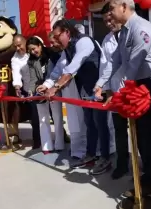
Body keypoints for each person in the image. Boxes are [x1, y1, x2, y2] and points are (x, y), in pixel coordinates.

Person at [38, 19, 113, 175]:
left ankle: (105, 158)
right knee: (89, 124)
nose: (56, 41)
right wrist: (47, 84)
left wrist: (55, 87)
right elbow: (60, 68)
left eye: (57, 36)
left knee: (101, 124)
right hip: (86, 91)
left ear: (67, 32)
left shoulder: (84, 41)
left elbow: (72, 67)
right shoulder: (68, 49)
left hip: (99, 89)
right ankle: (91, 155)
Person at [108, 0, 151, 196]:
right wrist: (105, 86)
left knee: (148, 135)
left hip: (150, 83)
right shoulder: (123, 31)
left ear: (124, 6)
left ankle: (150, 182)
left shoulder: (141, 27)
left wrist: (120, 93)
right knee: (142, 134)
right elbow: (118, 63)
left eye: (112, 7)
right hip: (137, 84)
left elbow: (133, 65)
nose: (110, 13)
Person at [99, 2, 128, 180]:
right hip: (117, 92)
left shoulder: (131, 32)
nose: (109, 23)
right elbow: (105, 68)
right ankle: (122, 164)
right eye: (105, 21)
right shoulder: (106, 41)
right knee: (119, 131)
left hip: (136, 91)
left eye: (110, 18)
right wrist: (108, 92)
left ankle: (145, 168)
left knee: (141, 132)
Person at [26, 36, 65, 154]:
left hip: (53, 89)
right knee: (43, 119)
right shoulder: (31, 61)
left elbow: (57, 73)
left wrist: (52, 87)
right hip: (40, 91)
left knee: (57, 117)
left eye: (34, 49)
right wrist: (31, 90)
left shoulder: (51, 55)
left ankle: (59, 144)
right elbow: (33, 78)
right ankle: (46, 146)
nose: (33, 52)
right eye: (30, 50)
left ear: (40, 45)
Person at [11, 34, 41, 149]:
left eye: (20, 45)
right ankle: (37, 141)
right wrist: (17, 87)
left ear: (25, 43)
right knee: (34, 116)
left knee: (53, 115)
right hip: (29, 90)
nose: (18, 48)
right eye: (15, 46)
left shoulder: (32, 52)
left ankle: (61, 135)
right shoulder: (15, 59)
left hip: (43, 86)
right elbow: (16, 74)